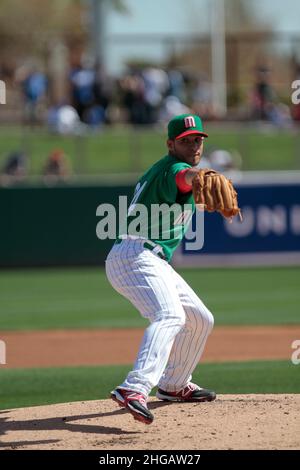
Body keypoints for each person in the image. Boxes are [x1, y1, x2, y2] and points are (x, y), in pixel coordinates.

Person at [105, 114, 216, 425]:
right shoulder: (173, 169)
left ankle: (173, 384)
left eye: (198, 139)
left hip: (152, 259)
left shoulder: (177, 169)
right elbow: (184, 178)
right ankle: (134, 388)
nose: (194, 144)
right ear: (171, 144)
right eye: (186, 140)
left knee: (200, 319)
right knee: (170, 315)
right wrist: (200, 177)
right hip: (134, 255)